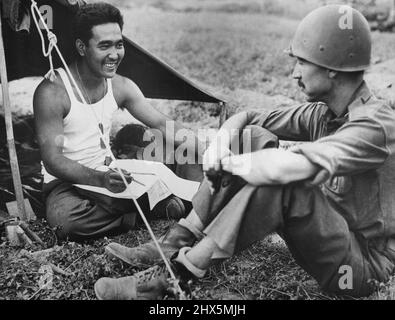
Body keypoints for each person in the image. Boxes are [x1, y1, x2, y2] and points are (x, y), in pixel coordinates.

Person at [94, 5, 395, 300]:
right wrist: (221, 146)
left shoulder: (377, 127)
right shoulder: (325, 114)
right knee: (254, 138)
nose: (293, 73)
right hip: (334, 237)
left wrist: (229, 164)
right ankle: (177, 240)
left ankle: (174, 278)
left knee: (282, 184)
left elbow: (291, 168)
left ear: (331, 69)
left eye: (302, 62)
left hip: (366, 267)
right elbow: (249, 117)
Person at [33, 2, 203, 242]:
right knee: (66, 222)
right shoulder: (52, 92)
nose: (115, 54)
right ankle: (151, 211)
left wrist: (205, 147)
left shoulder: (121, 85)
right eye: (104, 46)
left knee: (189, 149)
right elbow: (53, 160)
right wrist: (99, 179)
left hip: (110, 172)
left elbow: (162, 123)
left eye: (119, 44)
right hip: (67, 183)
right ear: (82, 47)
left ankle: (173, 202)